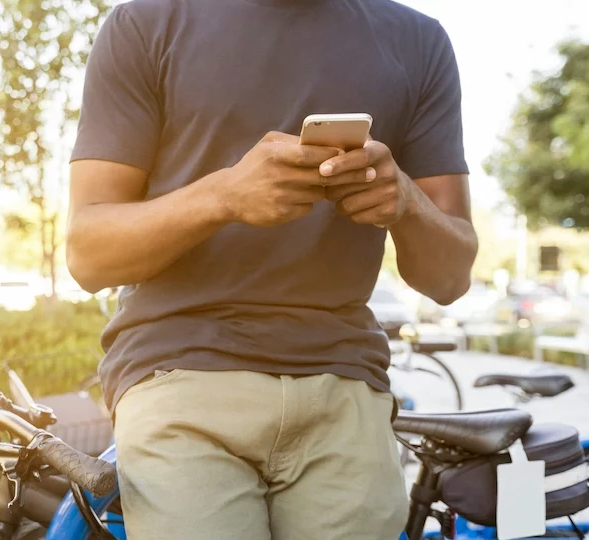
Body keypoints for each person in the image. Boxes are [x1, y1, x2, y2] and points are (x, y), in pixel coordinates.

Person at [65, 0, 477, 537]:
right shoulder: (145, 24)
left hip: (344, 386)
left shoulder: (419, 42)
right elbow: (88, 254)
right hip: (181, 375)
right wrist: (223, 197)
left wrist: (404, 201)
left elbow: (450, 278)